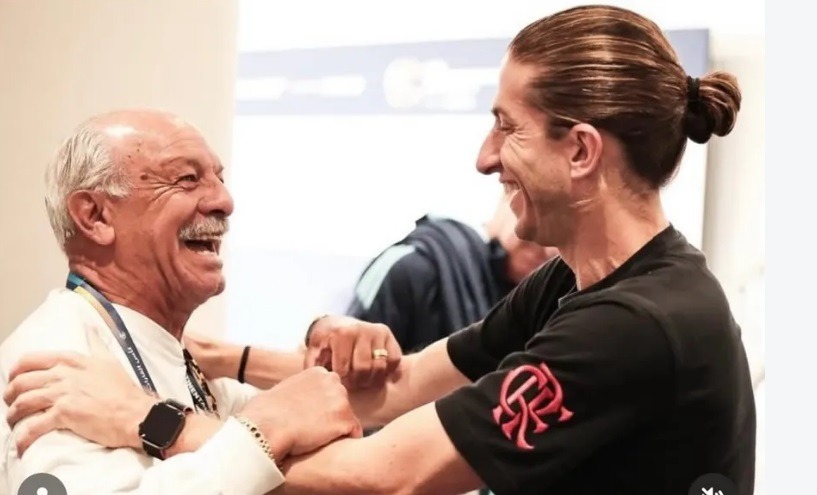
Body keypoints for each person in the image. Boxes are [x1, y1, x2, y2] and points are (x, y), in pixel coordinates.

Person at [4, 5, 756, 495]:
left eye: (506, 126)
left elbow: (386, 475)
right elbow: (402, 387)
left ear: (581, 151)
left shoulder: (633, 323)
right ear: (93, 215)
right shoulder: (570, 282)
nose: (485, 157)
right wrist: (225, 359)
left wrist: (151, 418)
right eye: (184, 179)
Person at [0, 109, 400, 495]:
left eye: (219, 179)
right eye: (187, 179)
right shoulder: (53, 364)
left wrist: (331, 353)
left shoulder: (180, 358)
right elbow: (272, 432)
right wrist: (266, 430)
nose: (224, 201)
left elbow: (326, 434)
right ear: (96, 216)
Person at [346, 195, 558, 353]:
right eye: (543, 215)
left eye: (559, 234)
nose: (548, 250)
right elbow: (349, 359)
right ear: (508, 193)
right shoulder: (413, 267)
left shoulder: (549, 303)